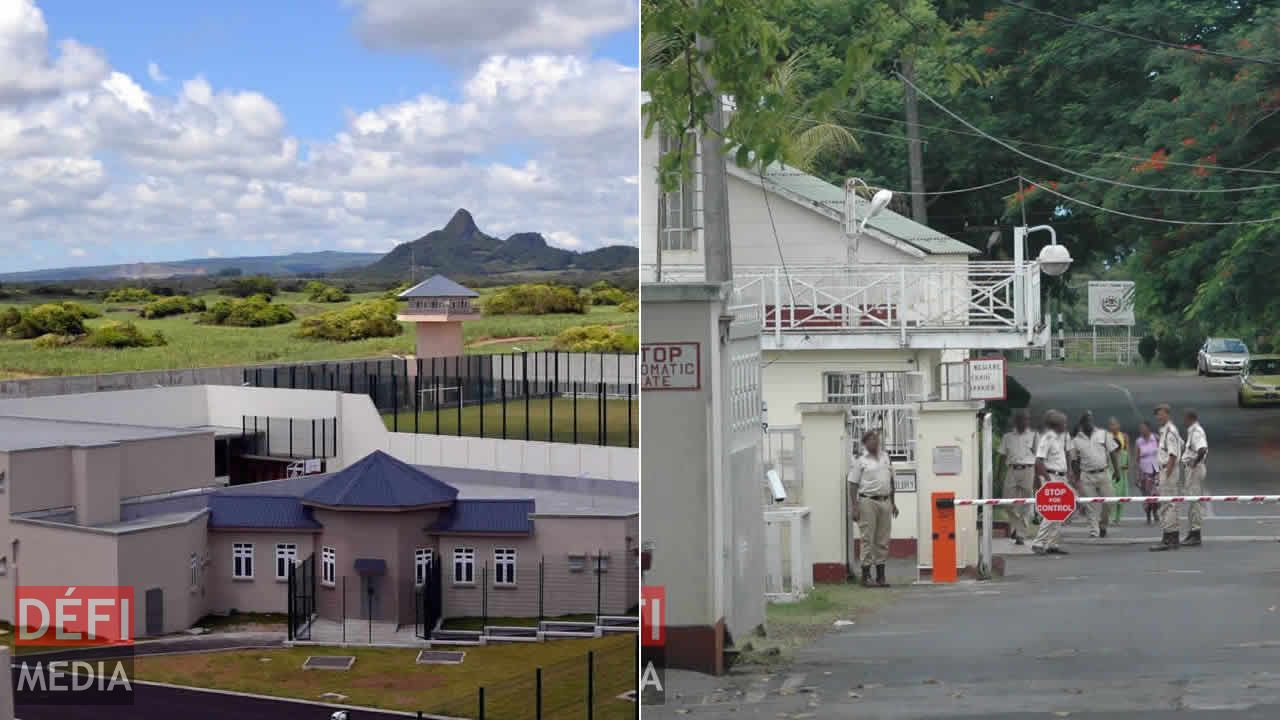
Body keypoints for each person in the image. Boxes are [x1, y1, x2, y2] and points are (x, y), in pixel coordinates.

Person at [848, 430, 898, 587]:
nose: (875, 442)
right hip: (868, 501)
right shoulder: (861, 461)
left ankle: (881, 576)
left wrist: (893, 502)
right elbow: (852, 483)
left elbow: (891, 481)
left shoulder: (885, 457)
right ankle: (866, 575)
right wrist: (855, 507)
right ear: (865, 443)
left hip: (885, 501)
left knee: (883, 539)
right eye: (871, 440)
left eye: (876, 439)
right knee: (867, 538)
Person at [1069, 412, 1119, 538]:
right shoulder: (1076, 440)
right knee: (1090, 505)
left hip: (1103, 473)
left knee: (1110, 501)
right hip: (1086, 475)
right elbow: (1074, 461)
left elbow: (1112, 452)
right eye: (1086, 421)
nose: (1089, 424)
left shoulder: (1103, 434)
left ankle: (1103, 524)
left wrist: (1117, 471)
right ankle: (1094, 530)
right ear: (1082, 424)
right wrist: (1076, 478)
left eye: (1091, 421)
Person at [1031, 409, 1071, 555]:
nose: (1065, 425)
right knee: (1052, 511)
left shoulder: (1059, 438)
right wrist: (1048, 481)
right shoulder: (1047, 438)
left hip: (1061, 477)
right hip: (1052, 477)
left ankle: (1052, 543)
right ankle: (1038, 542)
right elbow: (1039, 461)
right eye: (1063, 423)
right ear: (1056, 425)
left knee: (1060, 511)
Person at [997, 409, 1037, 545]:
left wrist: (1038, 477)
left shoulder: (1034, 436)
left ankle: (1020, 534)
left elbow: (1039, 458)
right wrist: (998, 474)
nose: (1024, 422)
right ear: (1016, 421)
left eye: (1027, 419)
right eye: (1021, 419)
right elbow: (1002, 456)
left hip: (1028, 470)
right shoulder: (1007, 437)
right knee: (1007, 503)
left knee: (1027, 502)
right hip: (1012, 470)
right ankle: (1019, 525)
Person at [1150, 404, 1185, 551]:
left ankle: (1169, 538)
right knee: (1169, 504)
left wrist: (1166, 475)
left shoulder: (1170, 431)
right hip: (1166, 470)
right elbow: (1181, 444)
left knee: (1168, 505)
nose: (1158, 417)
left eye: (1160, 414)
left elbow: (1173, 455)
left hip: (1168, 470)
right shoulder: (1166, 431)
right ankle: (1172, 536)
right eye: (1157, 414)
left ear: (1167, 414)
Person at [1180, 409, 1209, 547]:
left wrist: (1194, 462)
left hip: (1195, 470)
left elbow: (1202, 449)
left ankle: (1196, 533)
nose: (1183, 421)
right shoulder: (1192, 431)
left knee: (1195, 501)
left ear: (1190, 418)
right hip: (1193, 469)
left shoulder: (1196, 431)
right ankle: (1192, 531)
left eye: (1184, 418)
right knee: (1192, 502)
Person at [1107, 417, 1131, 525]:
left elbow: (1127, 450)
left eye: (1115, 424)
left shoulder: (1124, 436)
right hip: (1111, 468)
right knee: (1112, 492)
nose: (1113, 427)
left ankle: (1118, 517)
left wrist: (1127, 464)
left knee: (1121, 494)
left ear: (1119, 425)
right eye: (1111, 425)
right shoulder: (1107, 437)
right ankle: (1111, 517)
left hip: (1122, 468)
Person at [1135, 421, 1160, 524]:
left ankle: (1155, 511)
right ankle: (1148, 515)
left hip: (1155, 470)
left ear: (1148, 429)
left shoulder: (1155, 438)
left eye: (1144, 428)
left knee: (1155, 494)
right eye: (1141, 428)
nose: (1142, 430)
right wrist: (1136, 474)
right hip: (1144, 471)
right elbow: (1137, 458)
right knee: (1146, 495)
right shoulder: (1139, 441)